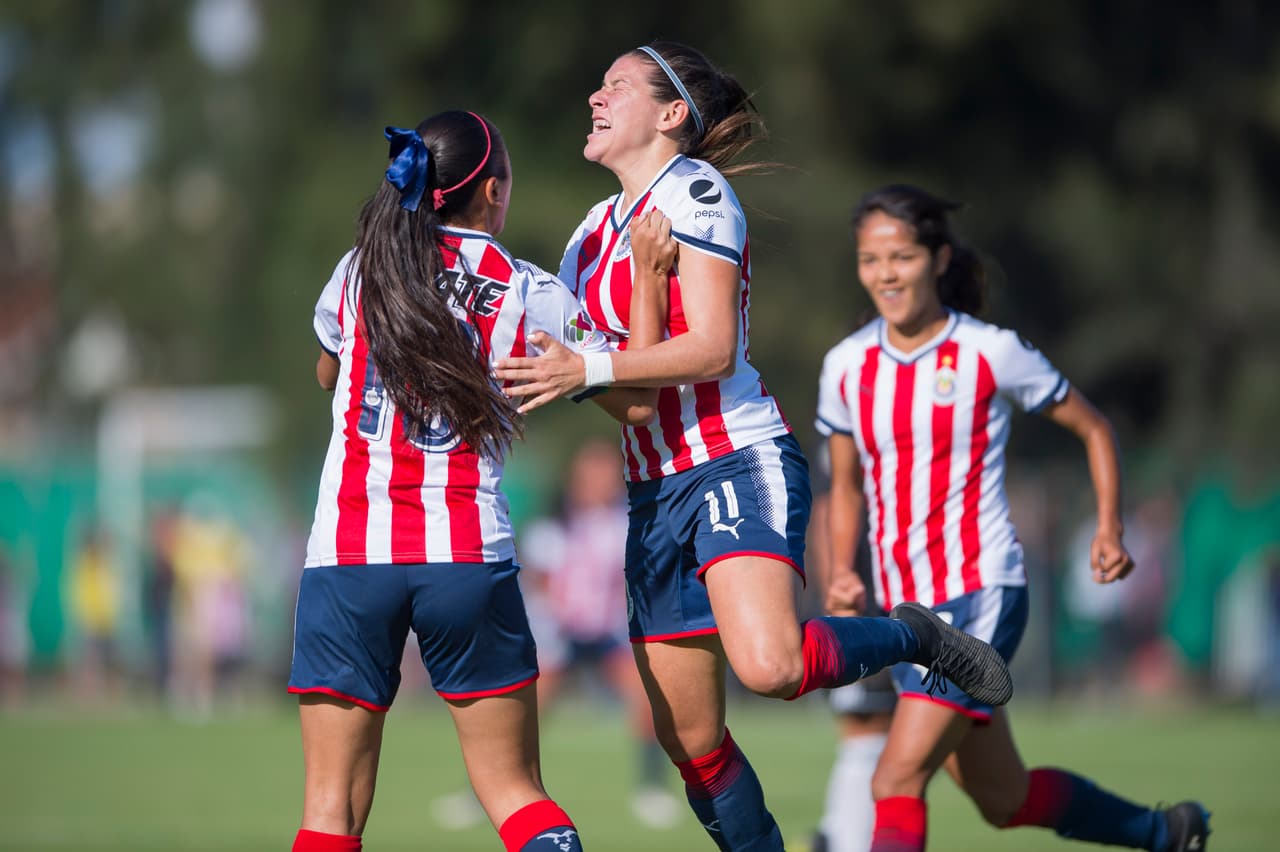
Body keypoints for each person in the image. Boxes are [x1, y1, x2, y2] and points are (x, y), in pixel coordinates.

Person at [496, 43, 1012, 851]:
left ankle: (918, 637)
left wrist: (585, 364)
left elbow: (710, 353)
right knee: (692, 745)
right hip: (652, 491)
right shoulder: (589, 237)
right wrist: (547, 373)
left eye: (615, 87)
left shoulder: (699, 194)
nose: (593, 98)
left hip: (732, 460)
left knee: (771, 668)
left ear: (671, 115)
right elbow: (632, 407)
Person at [289, 109, 672, 852]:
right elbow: (637, 404)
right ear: (493, 190)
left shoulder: (359, 268)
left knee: (328, 809)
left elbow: (327, 370)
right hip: (465, 556)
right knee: (515, 794)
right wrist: (650, 283)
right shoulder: (529, 292)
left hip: (346, 555)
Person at [814, 183, 1211, 852]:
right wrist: (842, 576)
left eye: (902, 256)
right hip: (906, 617)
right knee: (1005, 799)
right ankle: (1166, 832)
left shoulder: (990, 351)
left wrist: (1110, 526)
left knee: (894, 779)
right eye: (871, 260)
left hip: (981, 593)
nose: (885, 274)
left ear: (938, 259)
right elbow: (845, 486)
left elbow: (1092, 427)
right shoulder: (845, 366)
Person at [521, 438, 682, 828]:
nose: (602, 480)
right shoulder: (555, 524)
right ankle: (493, 788)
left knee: (647, 700)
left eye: (608, 472)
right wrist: (552, 627)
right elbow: (539, 581)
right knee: (524, 709)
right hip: (560, 631)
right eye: (594, 471)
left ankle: (651, 788)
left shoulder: (626, 522)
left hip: (609, 630)